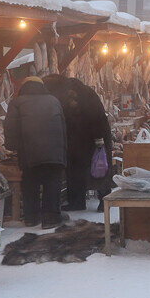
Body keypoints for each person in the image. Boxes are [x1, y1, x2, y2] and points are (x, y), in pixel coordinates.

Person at [43, 75, 115, 211]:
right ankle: (97, 201)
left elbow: (96, 116)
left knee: (92, 168)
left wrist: (98, 139)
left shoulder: (74, 94)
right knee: (91, 169)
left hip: (87, 139)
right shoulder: (80, 92)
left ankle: (85, 201)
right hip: (84, 138)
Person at [4, 76, 67, 228]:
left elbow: (10, 126)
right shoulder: (54, 100)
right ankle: (51, 217)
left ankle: (31, 217)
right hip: (54, 150)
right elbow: (63, 127)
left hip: (29, 151)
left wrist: (12, 146)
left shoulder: (17, 102)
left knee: (30, 182)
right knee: (52, 182)